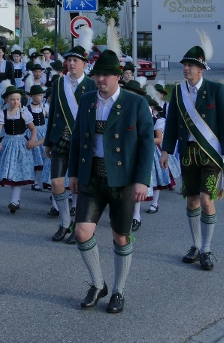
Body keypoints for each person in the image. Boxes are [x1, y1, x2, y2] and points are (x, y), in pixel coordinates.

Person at [68, 48, 154, 314]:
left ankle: (118, 290)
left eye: (106, 75)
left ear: (118, 76)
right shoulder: (87, 100)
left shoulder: (135, 103)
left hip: (123, 180)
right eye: (98, 75)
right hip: (92, 175)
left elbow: (146, 143)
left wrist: (142, 180)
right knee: (81, 231)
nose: (100, 80)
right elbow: (78, 138)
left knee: (120, 237)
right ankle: (97, 284)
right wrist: (73, 172)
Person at [160, 39, 224, 271]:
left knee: (206, 199)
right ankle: (196, 245)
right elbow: (170, 124)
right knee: (191, 201)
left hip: (211, 154)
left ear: (201, 69)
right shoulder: (178, 92)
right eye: (184, 65)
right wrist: (165, 150)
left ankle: (207, 249)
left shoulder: (216, 90)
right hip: (187, 155)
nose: (186, 68)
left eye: (191, 65)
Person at [43, 42, 95, 244]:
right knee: (56, 183)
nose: (71, 64)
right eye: (69, 60)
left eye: (76, 60)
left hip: (82, 143)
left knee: (78, 186)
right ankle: (65, 221)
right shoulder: (58, 83)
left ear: (84, 63)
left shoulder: (92, 85)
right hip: (60, 140)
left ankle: (77, 224)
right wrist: (48, 141)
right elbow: (54, 111)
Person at [0, 86, 37, 212]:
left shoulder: (24, 112)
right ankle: (16, 199)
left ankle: (14, 201)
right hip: (8, 144)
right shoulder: (3, 113)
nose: (15, 102)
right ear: (7, 100)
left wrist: (32, 140)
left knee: (18, 172)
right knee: (11, 173)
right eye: (12, 99)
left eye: (18, 99)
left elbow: (33, 129)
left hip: (22, 145)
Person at [26, 85, 49, 191]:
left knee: (46, 158)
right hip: (33, 134)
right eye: (39, 95)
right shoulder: (27, 109)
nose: (41, 97)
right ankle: (34, 181)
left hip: (43, 134)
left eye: (42, 95)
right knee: (36, 158)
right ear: (33, 96)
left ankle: (46, 181)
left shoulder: (44, 107)